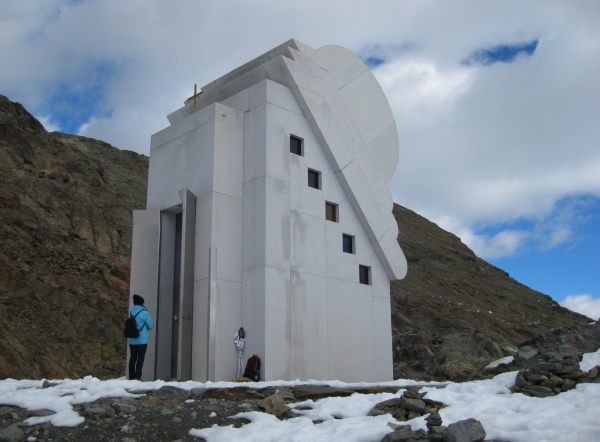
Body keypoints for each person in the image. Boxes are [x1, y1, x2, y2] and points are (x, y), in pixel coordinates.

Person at [128, 294, 154, 381]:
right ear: (142, 303)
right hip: (142, 340)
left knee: (133, 358)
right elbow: (151, 325)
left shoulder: (130, 313)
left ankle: (131, 376)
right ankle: (138, 376)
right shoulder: (144, 313)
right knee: (140, 358)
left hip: (131, 339)